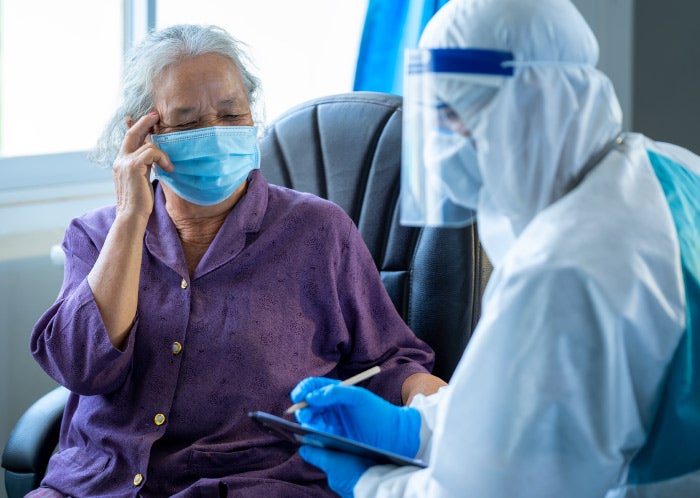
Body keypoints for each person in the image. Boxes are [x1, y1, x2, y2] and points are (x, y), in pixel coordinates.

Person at [288, 0, 700, 496]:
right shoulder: (672, 171)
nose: (446, 144)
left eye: (459, 115)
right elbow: (536, 412)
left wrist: (372, 483)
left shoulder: (561, 270)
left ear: (536, 101)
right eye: (438, 119)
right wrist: (417, 429)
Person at [26, 24, 445, 498]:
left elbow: (390, 361)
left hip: (253, 486)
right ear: (143, 133)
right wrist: (130, 220)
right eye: (187, 123)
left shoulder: (317, 231)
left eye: (231, 114)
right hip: (97, 485)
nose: (216, 135)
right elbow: (82, 370)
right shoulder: (96, 235)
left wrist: (451, 421)